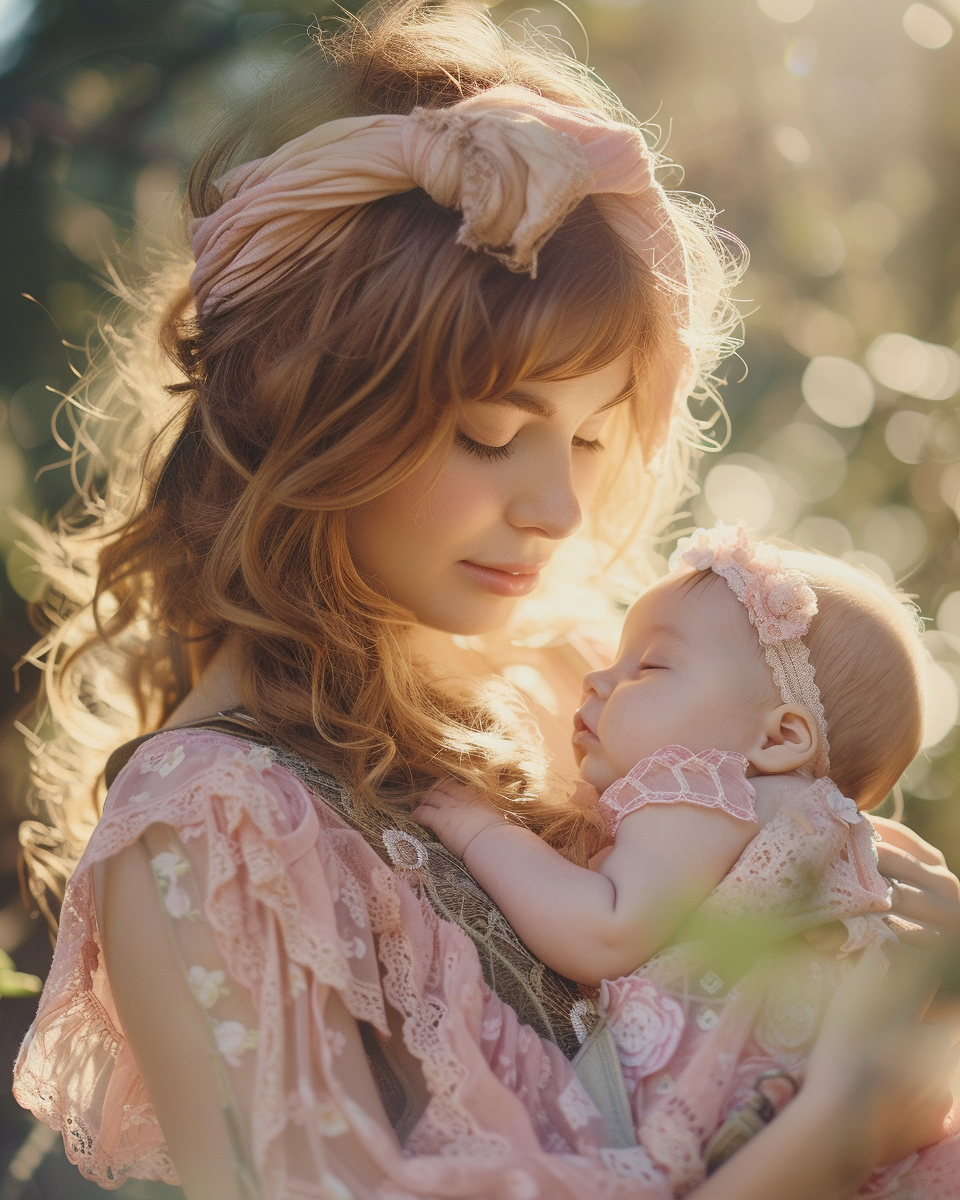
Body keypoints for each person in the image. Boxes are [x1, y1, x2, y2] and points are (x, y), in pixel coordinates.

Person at [9, 3, 959, 1198]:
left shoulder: (589, 667)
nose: (559, 510)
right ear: (309, 411)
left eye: (596, 435)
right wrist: (838, 1134)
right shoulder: (212, 831)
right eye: (491, 434)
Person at [414, 519, 960, 1195]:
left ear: (781, 737)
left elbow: (604, 930)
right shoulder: (823, 834)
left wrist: (482, 832)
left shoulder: (701, 784)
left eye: (649, 667)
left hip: (697, 1109)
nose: (597, 679)